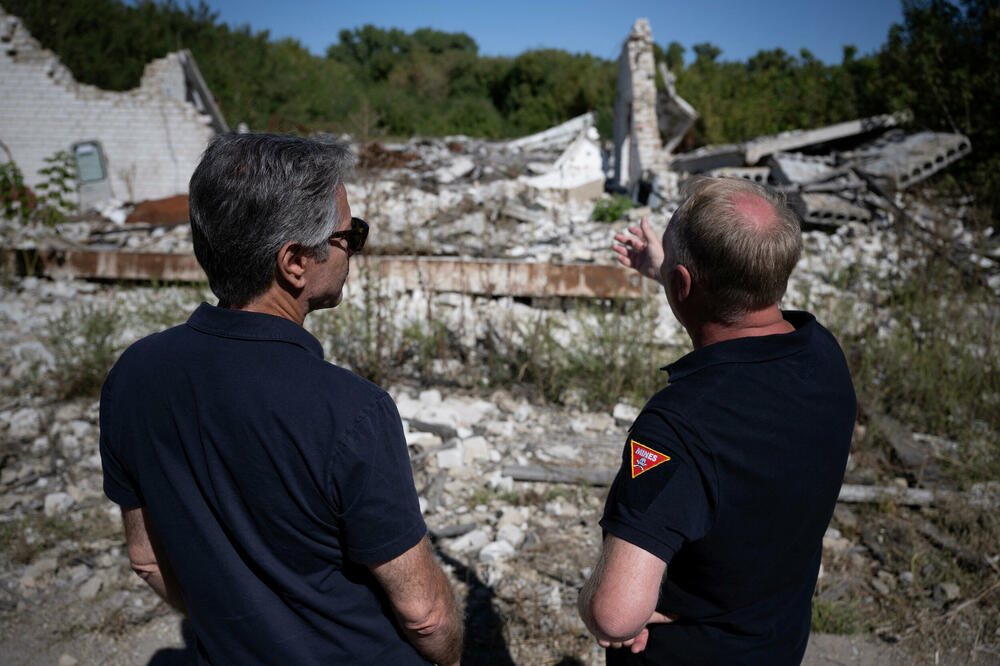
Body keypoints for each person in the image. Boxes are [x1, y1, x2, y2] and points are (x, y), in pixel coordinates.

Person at [99, 133, 462, 665]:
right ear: (294, 261)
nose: (354, 248)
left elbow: (147, 559)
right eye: (350, 235)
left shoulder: (133, 374)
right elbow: (424, 614)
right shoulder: (351, 411)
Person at [578, 177, 856, 664]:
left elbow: (614, 616)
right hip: (776, 640)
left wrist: (602, 604)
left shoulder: (677, 428)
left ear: (684, 285)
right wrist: (668, 270)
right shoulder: (822, 353)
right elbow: (736, 308)